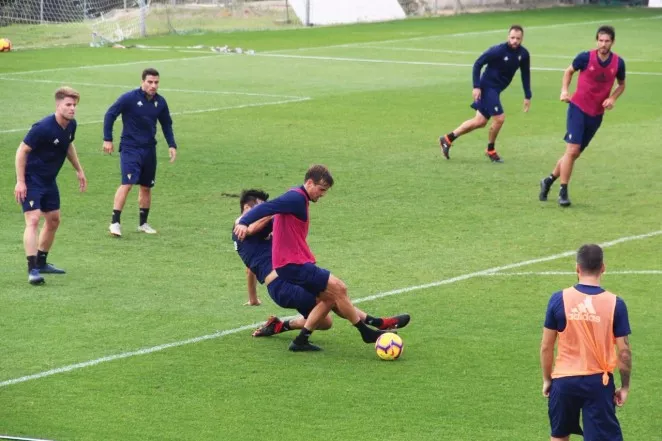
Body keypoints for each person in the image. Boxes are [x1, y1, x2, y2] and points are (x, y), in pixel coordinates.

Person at [233, 165, 395, 351]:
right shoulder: (243, 231)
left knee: (325, 320)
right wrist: (244, 221)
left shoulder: (290, 202)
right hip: (285, 279)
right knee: (336, 291)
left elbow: (251, 267)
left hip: (285, 277)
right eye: (321, 189)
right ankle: (372, 327)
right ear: (247, 208)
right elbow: (269, 210)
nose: (323, 194)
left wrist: (253, 298)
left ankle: (287, 330)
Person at [540, 244, 632, 441]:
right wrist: (624, 387)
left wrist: (548, 379)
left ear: (577, 268)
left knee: (559, 436)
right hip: (598, 382)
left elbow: (546, 346)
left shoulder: (558, 299)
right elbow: (624, 352)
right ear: (603, 268)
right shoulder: (616, 303)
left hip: (564, 381)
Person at [539, 26, 626, 207]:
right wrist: (564, 91)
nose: (603, 44)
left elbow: (621, 85)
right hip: (578, 108)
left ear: (613, 42)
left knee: (574, 154)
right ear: (596, 41)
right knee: (571, 151)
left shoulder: (618, 63)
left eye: (607, 41)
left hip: (596, 114)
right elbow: (568, 71)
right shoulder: (585, 57)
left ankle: (548, 181)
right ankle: (563, 192)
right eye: (600, 41)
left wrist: (612, 98)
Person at [14, 87, 88, 285]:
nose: (72, 109)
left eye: (74, 105)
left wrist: (79, 169)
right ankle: (32, 270)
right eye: (68, 105)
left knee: (54, 220)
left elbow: (68, 145)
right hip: (32, 178)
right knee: (33, 220)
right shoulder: (43, 127)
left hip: (48, 179)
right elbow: (22, 151)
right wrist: (20, 181)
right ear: (58, 105)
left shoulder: (71, 125)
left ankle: (42, 261)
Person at [439, 25, 531, 163]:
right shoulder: (498, 50)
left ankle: (447, 139)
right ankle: (490, 150)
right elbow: (478, 64)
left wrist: (527, 95)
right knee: (499, 118)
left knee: (480, 122)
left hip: (496, 90)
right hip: (487, 87)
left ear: (522, 39)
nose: (515, 41)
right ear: (508, 37)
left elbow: (525, 74)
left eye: (518, 38)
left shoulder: (523, 54)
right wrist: (476, 86)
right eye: (512, 38)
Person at [103, 67, 178, 237]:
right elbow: (110, 114)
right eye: (150, 82)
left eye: (156, 82)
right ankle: (115, 222)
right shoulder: (129, 98)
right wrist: (107, 138)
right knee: (127, 183)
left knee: (146, 186)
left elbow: (166, 124)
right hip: (130, 148)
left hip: (149, 149)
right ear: (142, 82)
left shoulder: (161, 102)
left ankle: (143, 224)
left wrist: (172, 144)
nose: (153, 85)